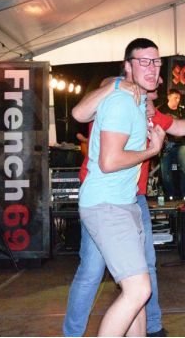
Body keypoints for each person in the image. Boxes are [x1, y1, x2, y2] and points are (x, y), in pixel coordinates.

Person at [65, 81, 185, 337]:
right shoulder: (116, 96)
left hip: (133, 199)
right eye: (150, 74)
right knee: (93, 272)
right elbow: (84, 109)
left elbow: (178, 126)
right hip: (104, 201)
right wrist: (118, 84)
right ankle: (72, 334)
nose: (157, 82)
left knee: (143, 272)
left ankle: (152, 327)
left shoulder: (149, 110)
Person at [68, 38, 166, 337]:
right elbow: (109, 161)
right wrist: (152, 150)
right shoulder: (121, 100)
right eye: (143, 62)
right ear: (128, 67)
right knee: (137, 289)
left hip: (125, 204)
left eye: (156, 62)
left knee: (136, 293)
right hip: (106, 206)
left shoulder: (138, 103)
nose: (152, 68)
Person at [158, 89, 185, 200]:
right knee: (165, 172)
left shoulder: (182, 112)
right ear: (169, 97)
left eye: (179, 98)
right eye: (175, 98)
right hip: (165, 144)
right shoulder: (161, 110)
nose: (177, 100)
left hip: (180, 143)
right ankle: (170, 195)